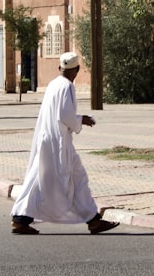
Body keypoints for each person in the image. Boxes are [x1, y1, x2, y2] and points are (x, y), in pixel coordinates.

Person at [10, 52, 119, 235]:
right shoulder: (67, 86)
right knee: (61, 179)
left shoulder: (53, 84)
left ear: (60, 68)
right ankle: (21, 219)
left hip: (48, 139)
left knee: (51, 178)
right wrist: (82, 119)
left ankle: (92, 220)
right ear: (76, 70)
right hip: (59, 141)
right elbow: (65, 115)